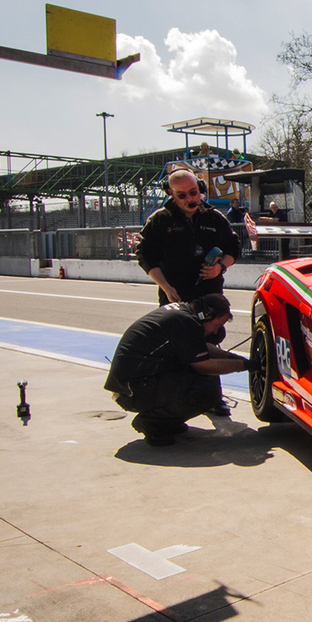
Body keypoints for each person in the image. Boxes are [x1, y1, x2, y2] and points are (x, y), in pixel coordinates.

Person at [104, 295, 255, 446]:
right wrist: (242, 366)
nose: (216, 332)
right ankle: (153, 423)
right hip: (132, 391)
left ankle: (167, 421)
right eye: (216, 325)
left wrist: (233, 358)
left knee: (207, 379)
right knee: (206, 390)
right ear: (206, 314)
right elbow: (204, 366)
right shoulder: (186, 323)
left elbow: (201, 349)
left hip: (137, 383)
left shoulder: (184, 315)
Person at [137, 169, 243, 306]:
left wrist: (220, 266)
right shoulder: (159, 220)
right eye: (182, 195)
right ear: (171, 193)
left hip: (210, 297)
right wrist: (166, 288)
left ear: (200, 188)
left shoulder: (215, 218)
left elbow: (233, 248)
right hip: (175, 298)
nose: (189, 199)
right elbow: (145, 256)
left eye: (193, 192)